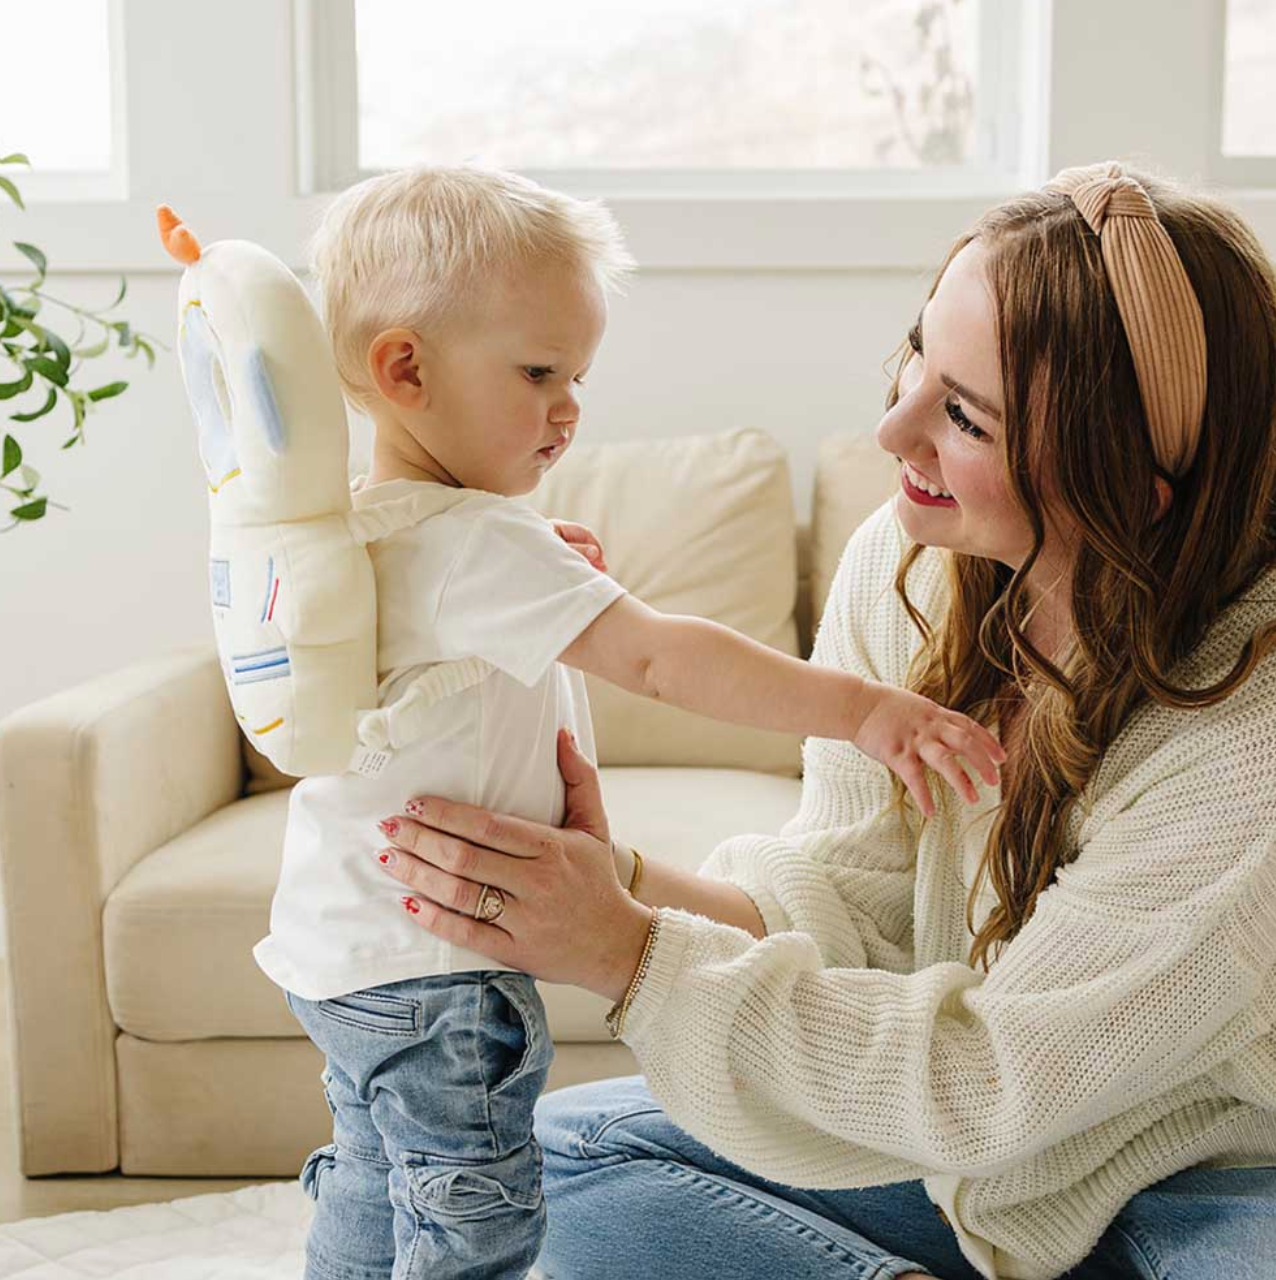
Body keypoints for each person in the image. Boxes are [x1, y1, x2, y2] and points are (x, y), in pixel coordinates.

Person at [371, 161, 1276, 1280]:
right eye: (917, 357)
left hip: (1210, 1186)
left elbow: (993, 1080)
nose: (894, 430)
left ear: (1124, 491)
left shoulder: (1252, 738)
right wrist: (614, 879)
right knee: (561, 1155)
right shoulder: (911, 559)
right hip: (975, 1166)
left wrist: (627, 951)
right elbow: (850, 904)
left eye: (961, 413)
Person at [261, 164, 1005, 1280]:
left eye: (578, 376)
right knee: (480, 1219)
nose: (568, 408)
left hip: (343, 951)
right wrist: (863, 707)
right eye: (539, 371)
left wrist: (535, 562)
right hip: (441, 957)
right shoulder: (479, 545)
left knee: (378, 1180)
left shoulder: (378, 535)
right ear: (402, 367)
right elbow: (660, 656)